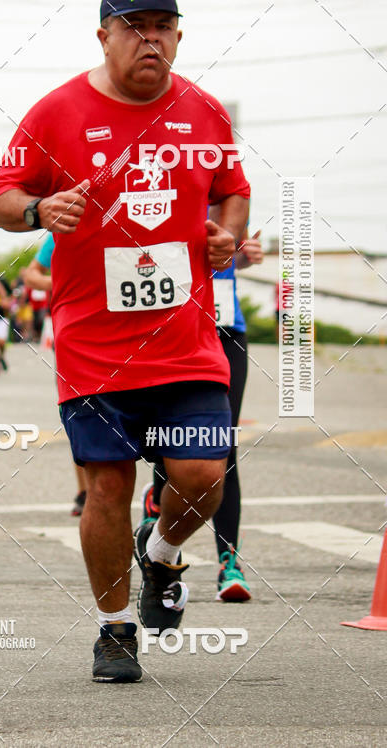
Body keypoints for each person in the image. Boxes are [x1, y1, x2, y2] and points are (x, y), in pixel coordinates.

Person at [0, 0, 250, 683]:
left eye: (163, 25)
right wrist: (38, 212)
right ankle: (115, 629)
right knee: (107, 486)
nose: (150, 37)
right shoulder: (59, 111)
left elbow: (233, 190)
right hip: (94, 349)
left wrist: (227, 236)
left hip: (187, 343)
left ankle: (160, 555)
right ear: (104, 36)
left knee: (203, 475)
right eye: (134, 26)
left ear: (179, 36)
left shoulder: (204, 112)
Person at [141, 227, 263, 601]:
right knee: (172, 438)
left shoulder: (232, 191)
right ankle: (159, 504)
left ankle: (229, 563)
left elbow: (226, 262)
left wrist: (242, 256)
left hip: (226, 328)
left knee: (223, 447)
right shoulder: (167, 183)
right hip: (178, 326)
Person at [24, 234, 87, 516]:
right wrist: (63, 280)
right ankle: (85, 490)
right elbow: (31, 274)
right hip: (74, 331)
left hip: (125, 329)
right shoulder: (62, 229)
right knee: (80, 410)